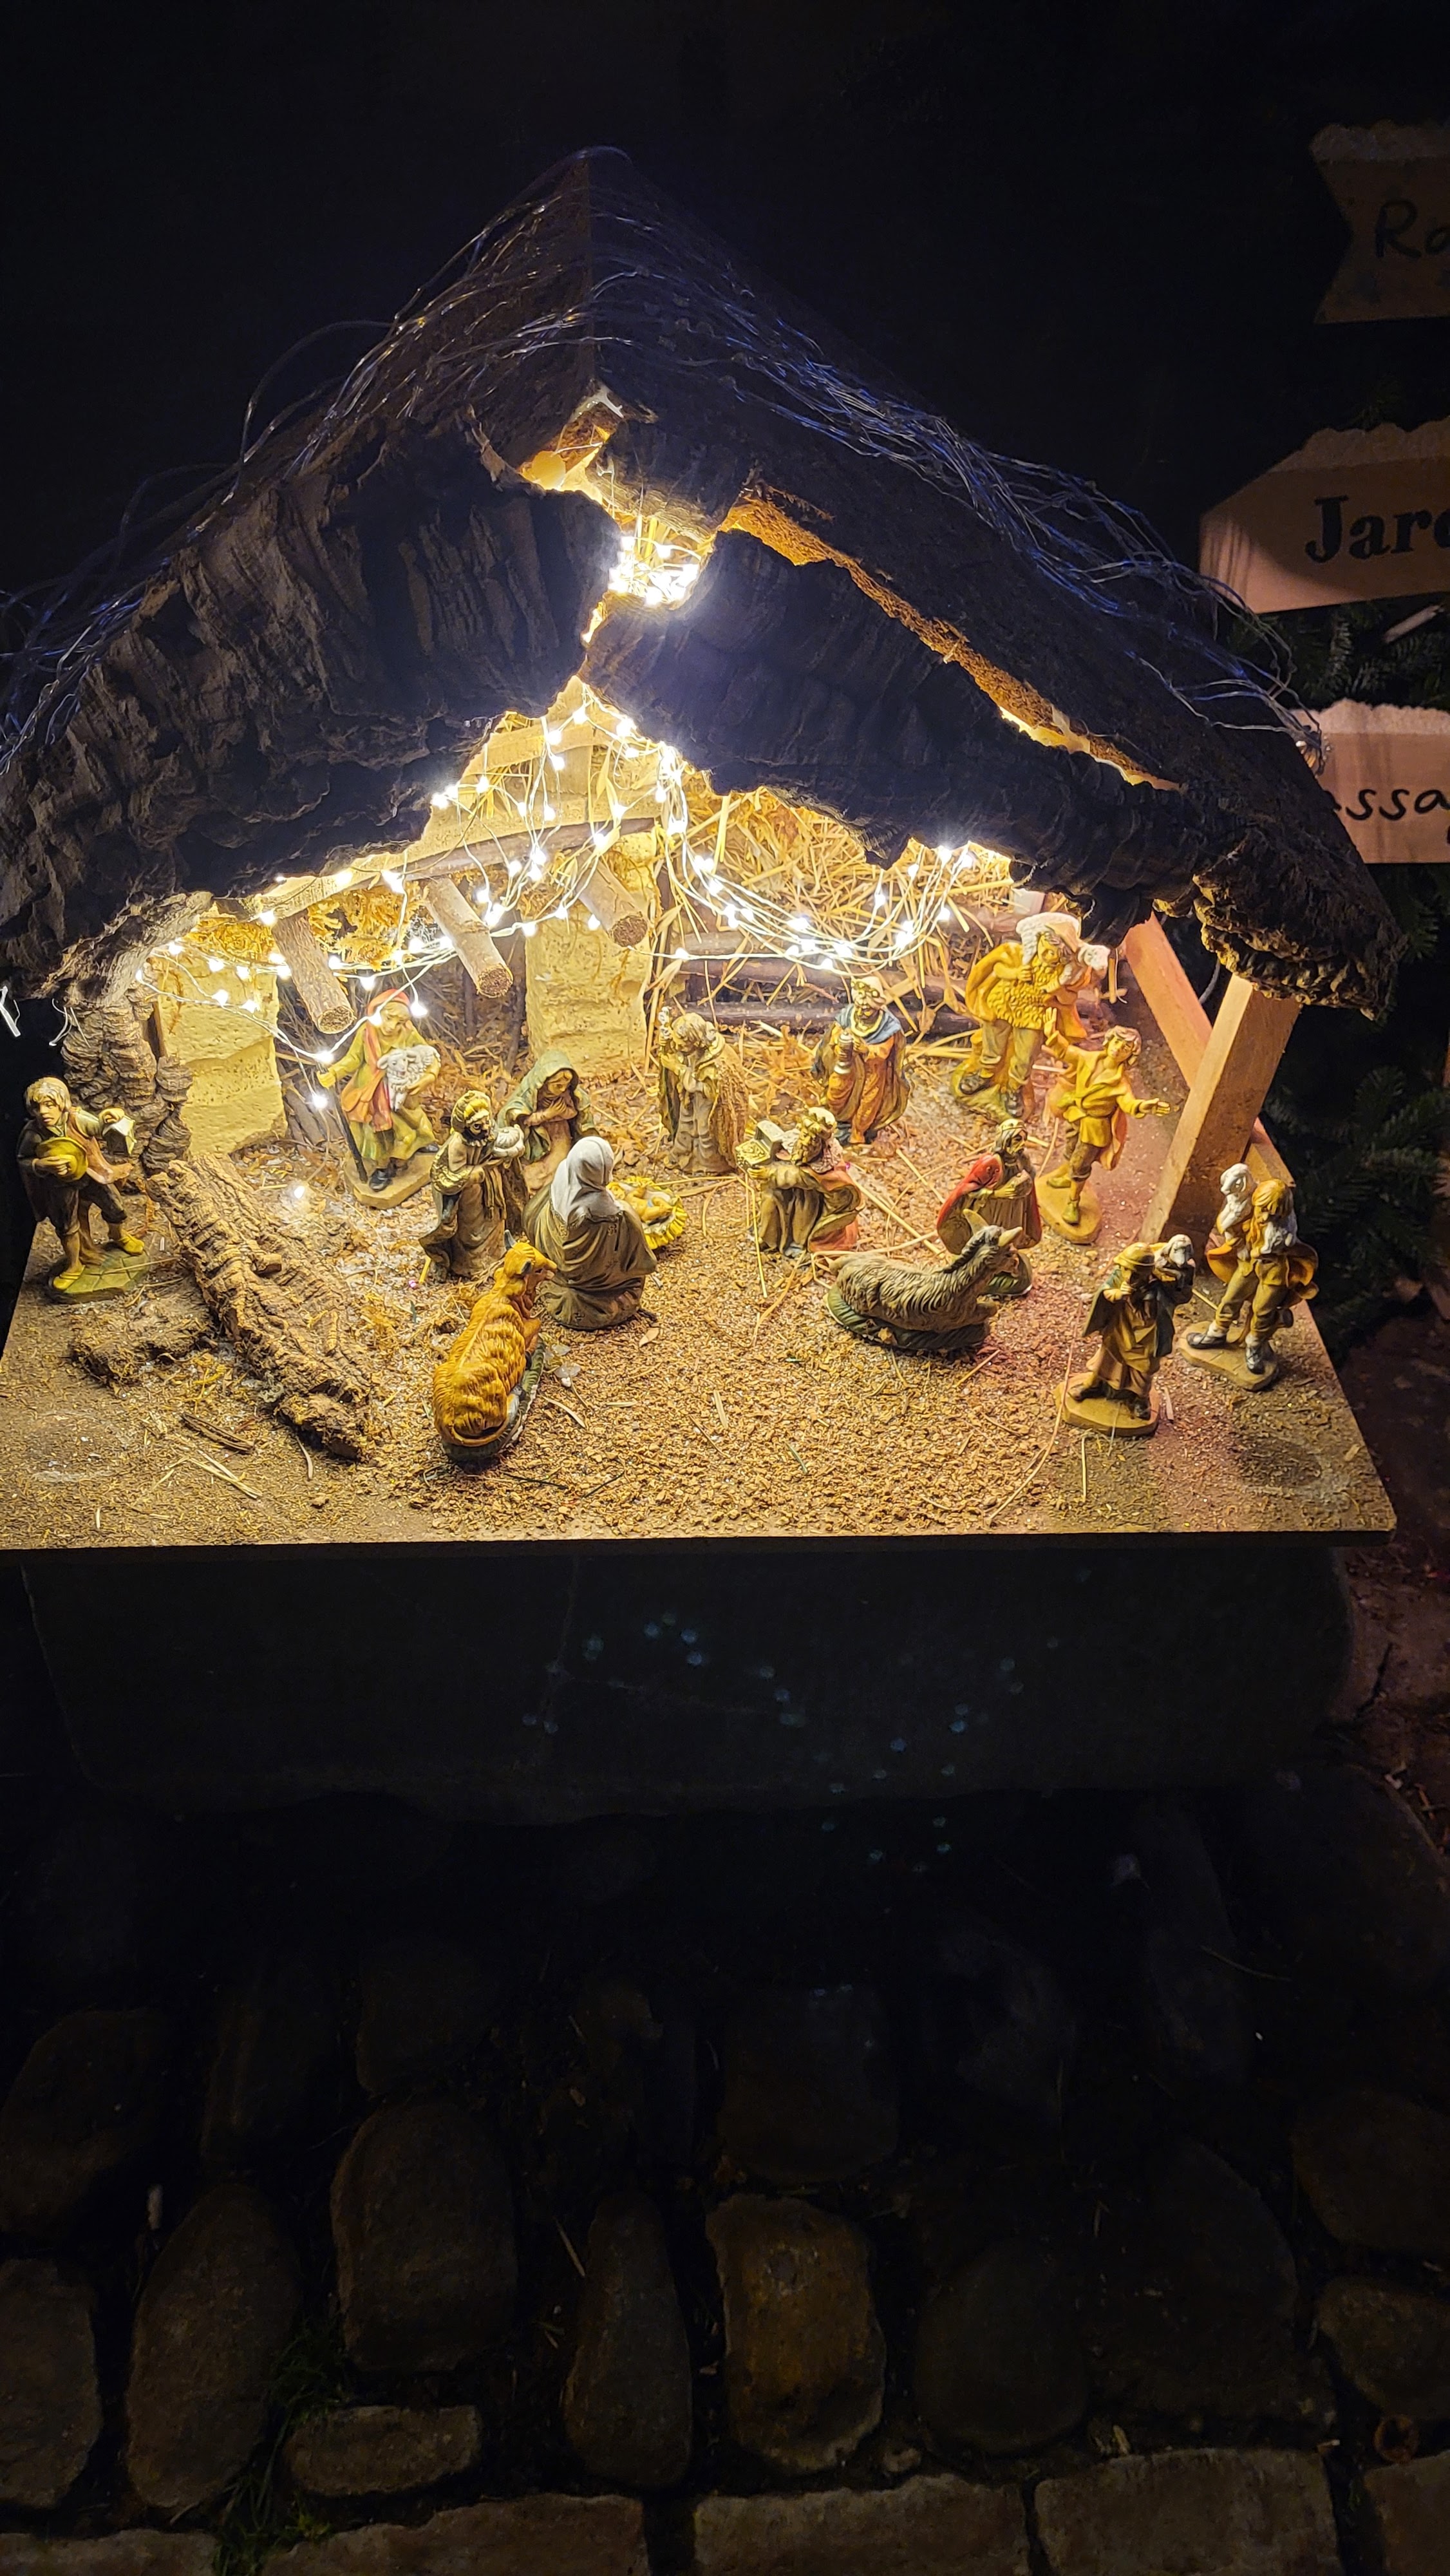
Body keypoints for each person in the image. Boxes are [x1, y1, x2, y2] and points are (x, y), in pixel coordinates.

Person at [954, 914, 1104, 1119]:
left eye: (1054, 954)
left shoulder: (1065, 975)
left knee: (1026, 1055)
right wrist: (1015, 973)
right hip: (1005, 1003)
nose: (1047, 956)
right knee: (993, 1044)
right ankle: (985, 1074)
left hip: (1034, 1014)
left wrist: (1058, 990)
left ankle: (1013, 1088)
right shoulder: (1020, 955)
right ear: (1039, 940)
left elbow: (1069, 999)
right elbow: (997, 968)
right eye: (1045, 949)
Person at [17, 1076, 144, 1291]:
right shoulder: (34, 1133)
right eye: (37, 1107)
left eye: (50, 1105)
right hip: (60, 1184)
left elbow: (100, 1127)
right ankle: (74, 1265)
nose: (44, 1112)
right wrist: (42, 1164)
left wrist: (112, 1116)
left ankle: (117, 1234)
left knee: (115, 1206)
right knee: (66, 1225)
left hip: (91, 1174)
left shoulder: (76, 1119)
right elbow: (24, 1159)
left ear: (62, 1104)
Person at [1187, 1179, 1318, 1378]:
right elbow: (1233, 1228)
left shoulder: (1285, 1230)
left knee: (1263, 1310)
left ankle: (1254, 1345)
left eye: (1272, 1214)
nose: (1265, 1217)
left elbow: (1282, 1247)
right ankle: (1217, 1332)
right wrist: (1237, 1241)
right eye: (1262, 1209)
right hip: (1248, 1265)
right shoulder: (1251, 1215)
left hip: (1274, 1273)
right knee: (1231, 1298)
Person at [1042, 1025, 1171, 1226]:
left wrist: (1142, 1106)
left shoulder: (1120, 1084)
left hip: (1095, 1128)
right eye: (1117, 1042)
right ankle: (1067, 1177)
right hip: (1077, 1115)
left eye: (1126, 1048)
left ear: (1130, 1055)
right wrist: (1053, 1035)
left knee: (1080, 1164)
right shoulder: (1088, 1059)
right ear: (1109, 1041)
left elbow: (1128, 1103)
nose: (1118, 1048)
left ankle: (1073, 1202)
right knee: (1070, 1148)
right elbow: (1067, 1052)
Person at [523, 1135, 657, 1329]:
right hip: (597, 1281)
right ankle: (592, 1300)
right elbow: (641, 1262)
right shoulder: (609, 1213)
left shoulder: (562, 1180)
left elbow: (531, 1214)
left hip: (558, 1268)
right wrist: (627, 1216)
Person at [317, 990, 440, 1189]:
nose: (392, 1026)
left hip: (399, 1087)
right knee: (377, 1131)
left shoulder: (408, 1033)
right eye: (389, 1018)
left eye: (399, 1022)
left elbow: (430, 1054)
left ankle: (417, 1144)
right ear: (378, 1011)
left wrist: (429, 1076)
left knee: (410, 1122)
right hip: (371, 1091)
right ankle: (383, 1168)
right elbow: (353, 1059)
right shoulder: (367, 1032)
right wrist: (334, 1073)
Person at [1073, 1235, 1195, 1422]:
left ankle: (1141, 1399)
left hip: (1147, 1332)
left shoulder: (1158, 1286)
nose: (1130, 1277)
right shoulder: (1121, 1274)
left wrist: (1148, 1299)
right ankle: (1094, 1383)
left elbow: (1168, 1305)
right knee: (1109, 1355)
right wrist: (1118, 1294)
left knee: (1144, 1366)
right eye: (1127, 1270)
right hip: (1122, 1325)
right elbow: (1106, 1290)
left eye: (1137, 1274)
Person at [418, 1089, 528, 1279]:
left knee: (495, 1217)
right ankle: (472, 1264)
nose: (485, 1128)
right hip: (471, 1192)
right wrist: (479, 1171)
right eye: (478, 1126)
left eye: (487, 1122)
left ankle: (495, 1254)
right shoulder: (458, 1145)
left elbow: (504, 1144)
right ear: (466, 1127)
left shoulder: (489, 1133)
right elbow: (455, 1174)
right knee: (473, 1230)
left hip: (492, 1183)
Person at [740, 1105, 862, 1257]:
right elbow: (790, 1162)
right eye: (804, 1135)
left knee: (802, 1220)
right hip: (790, 1190)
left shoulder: (826, 1162)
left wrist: (770, 1174)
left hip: (811, 1199)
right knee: (770, 1199)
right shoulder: (796, 1143)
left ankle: (796, 1246)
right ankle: (767, 1238)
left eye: (813, 1140)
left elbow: (806, 1177)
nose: (806, 1141)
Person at [813, 975, 910, 1145]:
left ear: (876, 1007)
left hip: (872, 1072)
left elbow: (883, 1051)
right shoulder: (848, 1016)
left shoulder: (887, 1027)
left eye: (866, 1010)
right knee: (836, 1092)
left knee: (868, 1103)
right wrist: (841, 1042)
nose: (860, 1012)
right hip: (847, 1065)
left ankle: (858, 1133)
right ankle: (835, 1120)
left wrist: (866, 1050)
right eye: (859, 1007)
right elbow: (834, 1036)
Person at [657, 1010, 751, 1173]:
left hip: (710, 1102)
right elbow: (675, 1054)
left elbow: (710, 1089)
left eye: (682, 1045)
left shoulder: (715, 1062)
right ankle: (682, 1154)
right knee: (685, 1123)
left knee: (705, 1130)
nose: (678, 1048)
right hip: (690, 1096)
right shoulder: (688, 1049)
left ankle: (709, 1163)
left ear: (696, 1042)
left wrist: (679, 1069)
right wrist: (665, 1044)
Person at [501, 1052, 598, 1205]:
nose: (562, 1089)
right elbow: (521, 1119)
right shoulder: (531, 1095)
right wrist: (547, 1115)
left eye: (566, 1085)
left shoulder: (566, 1095)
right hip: (535, 1138)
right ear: (544, 1082)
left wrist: (563, 1113)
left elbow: (574, 1112)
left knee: (558, 1165)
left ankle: (555, 1193)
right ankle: (534, 1192)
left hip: (559, 1134)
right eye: (558, 1086)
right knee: (532, 1171)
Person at [937, 1117, 1041, 1253]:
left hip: (1015, 1208)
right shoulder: (991, 1163)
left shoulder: (1022, 1158)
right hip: (992, 1210)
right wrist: (996, 1193)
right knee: (990, 1241)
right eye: (1017, 1139)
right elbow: (968, 1191)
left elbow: (1030, 1177)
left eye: (1024, 1140)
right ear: (1005, 1140)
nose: (1022, 1144)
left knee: (1011, 1238)